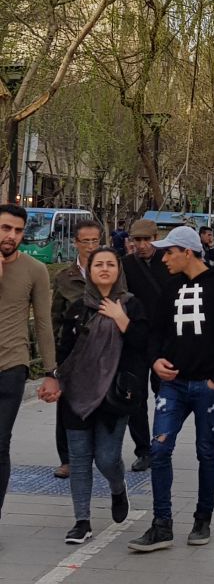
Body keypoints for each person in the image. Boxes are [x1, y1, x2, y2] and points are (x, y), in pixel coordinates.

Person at [128, 226, 214, 552]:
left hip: (207, 385)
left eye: (169, 252)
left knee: (206, 450)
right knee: (159, 449)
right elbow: (155, 331)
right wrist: (155, 361)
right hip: (172, 384)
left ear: (186, 252)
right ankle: (161, 524)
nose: (164, 258)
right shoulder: (171, 287)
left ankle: (203, 517)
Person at [56, 247, 148, 543]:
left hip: (114, 395)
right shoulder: (78, 307)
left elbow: (144, 346)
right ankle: (81, 521)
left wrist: (123, 321)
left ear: (119, 270)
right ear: (90, 271)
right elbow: (63, 352)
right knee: (80, 460)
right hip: (76, 394)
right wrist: (53, 379)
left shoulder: (132, 306)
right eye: (99, 265)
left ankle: (118, 488)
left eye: (111, 264)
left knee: (107, 458)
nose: (105, 269)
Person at [0, 204, 60, 520]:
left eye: (18, 230)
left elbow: (44, 324)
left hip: (11, 366)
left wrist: (50, 372)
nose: (11, 236)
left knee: (0, 445)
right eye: (5, 228)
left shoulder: (35, 269)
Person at [51, 219, 104, 479]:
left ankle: (99, 452)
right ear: (76, 243)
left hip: (103, 351)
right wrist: (52, 359)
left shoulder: (111, 272)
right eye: (86, 241)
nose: (91, 246)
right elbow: (54, 318)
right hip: (72, 352)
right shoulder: (66, 277)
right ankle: (67, 458)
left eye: (96, 241)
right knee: (66, 406)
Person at [122, 218, 175, 472]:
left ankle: (162, 444)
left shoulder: (169, 262)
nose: (142, 245)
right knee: (136, 397)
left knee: (164, 396)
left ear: (156, 238)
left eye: (147, 240)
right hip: (135, 339)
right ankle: (143, 449)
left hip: (164, 340)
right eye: (137, 240)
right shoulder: (126, 265)